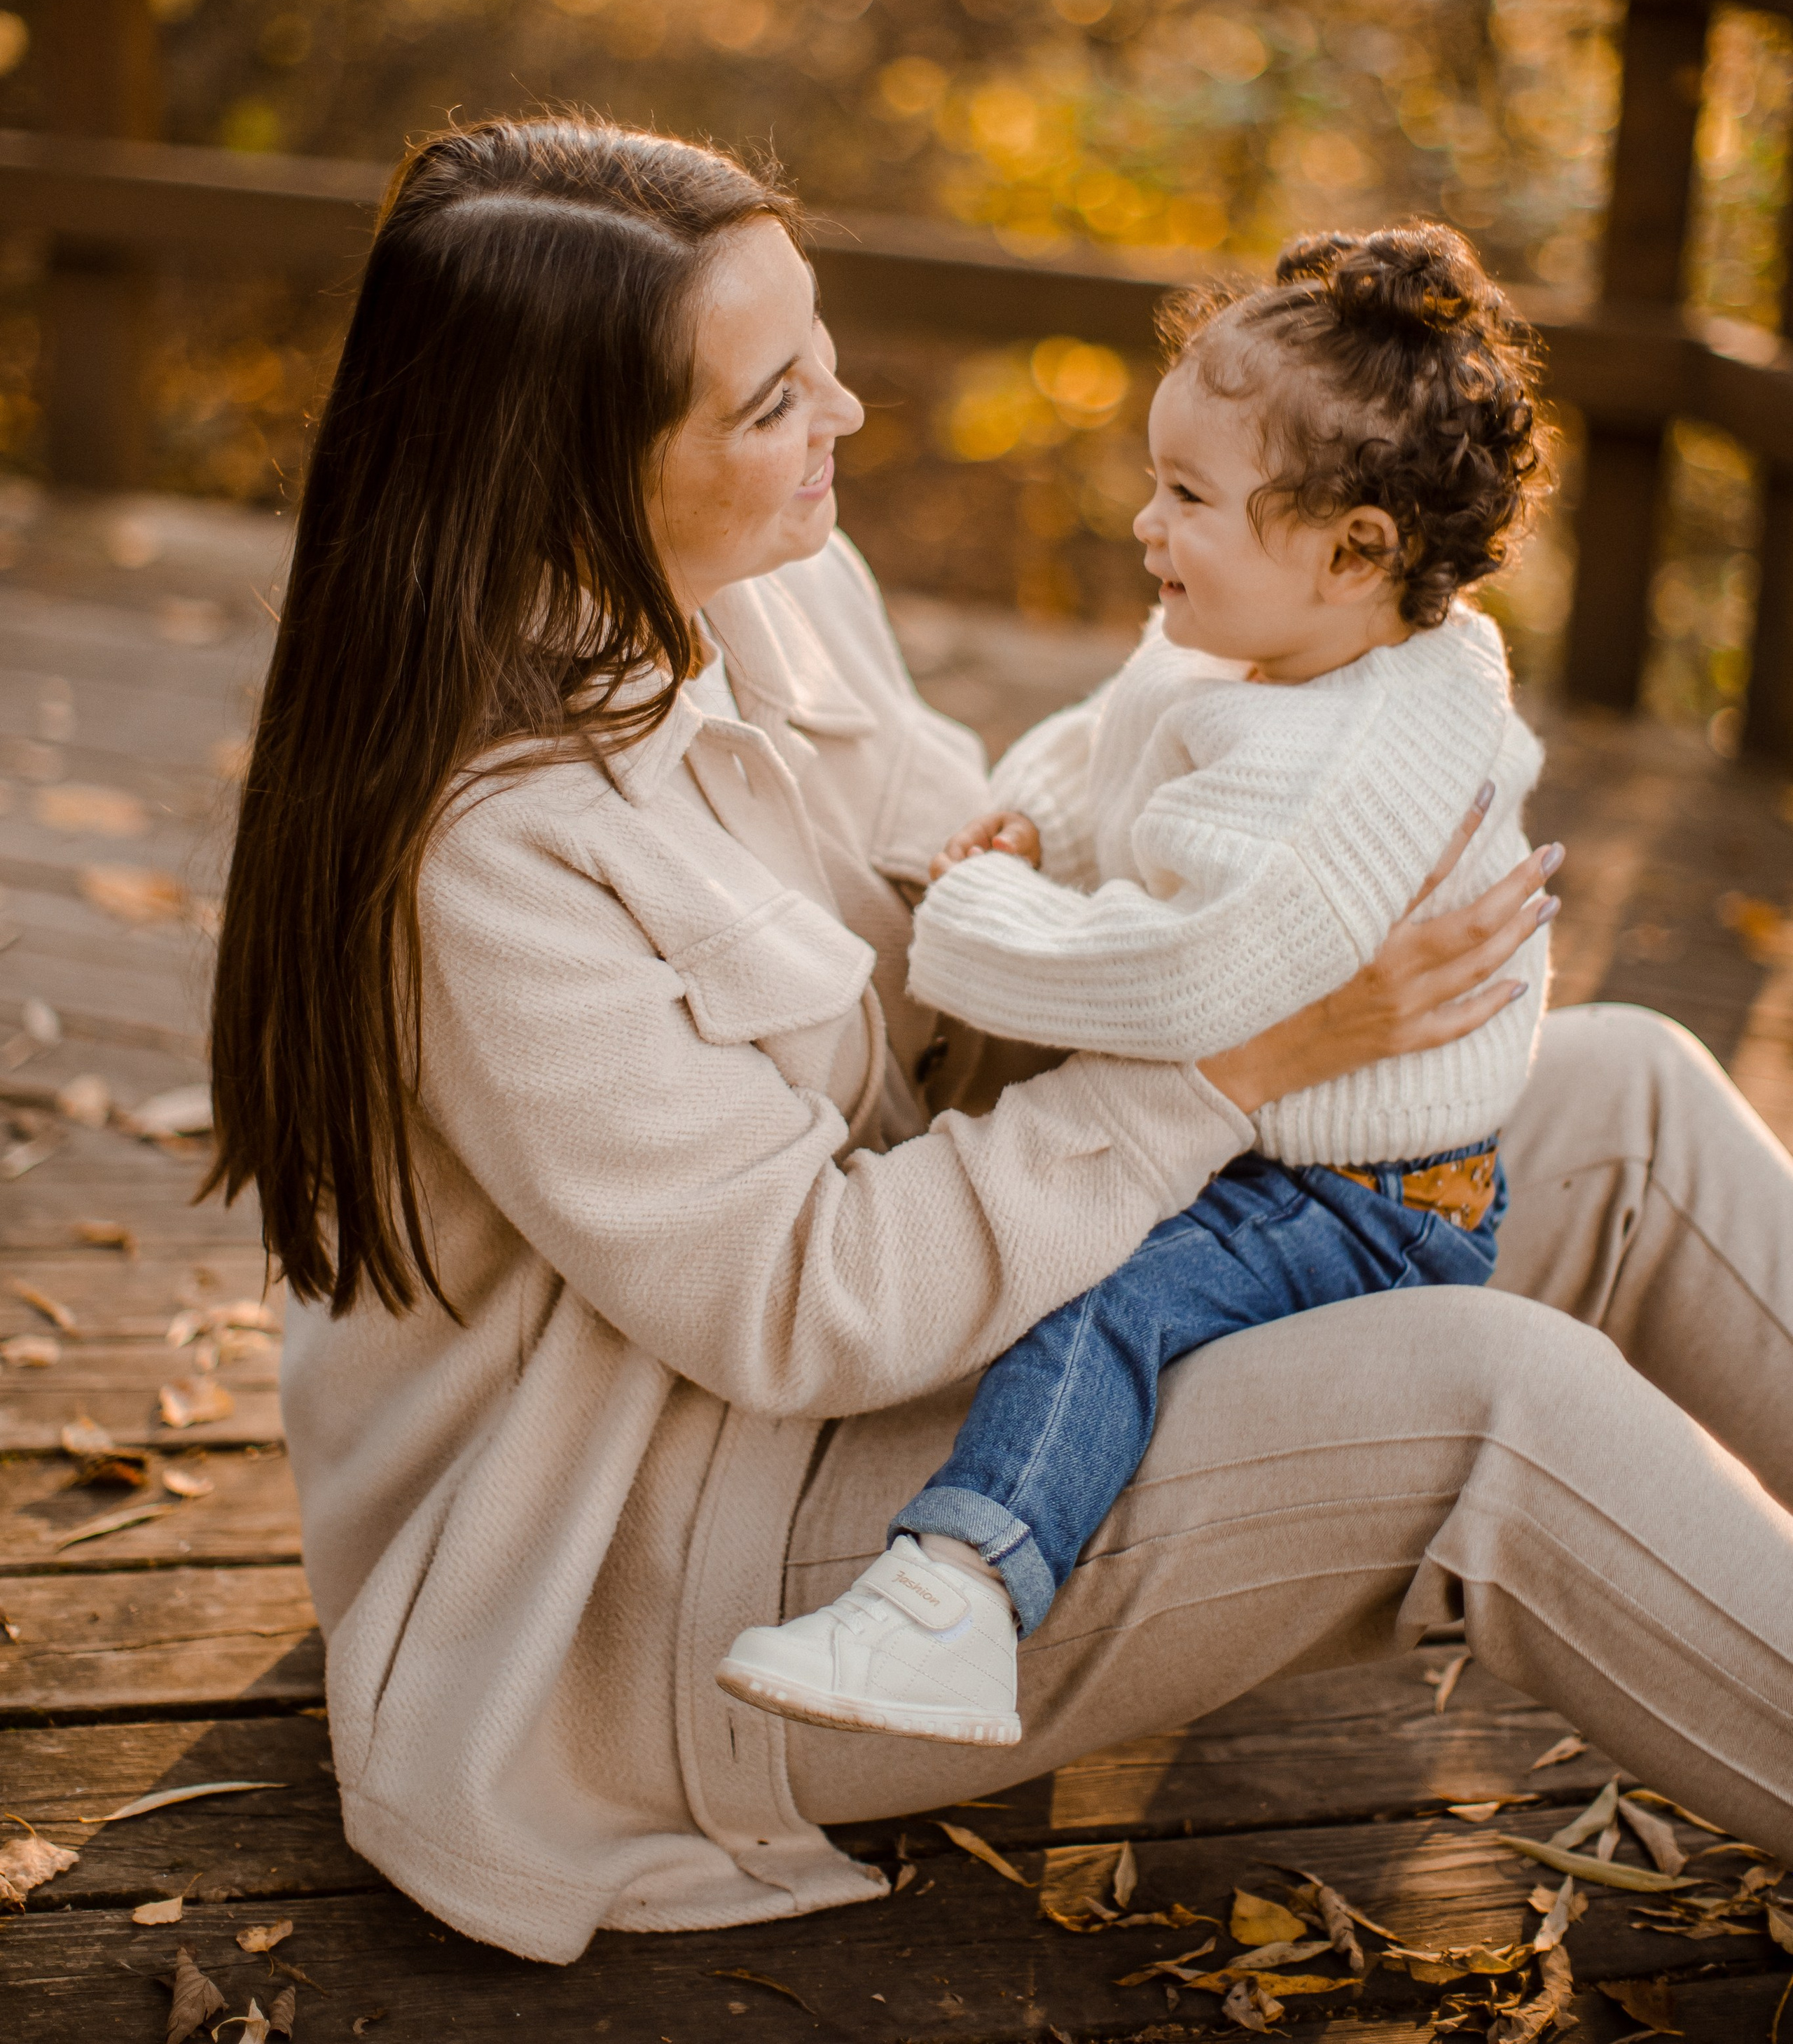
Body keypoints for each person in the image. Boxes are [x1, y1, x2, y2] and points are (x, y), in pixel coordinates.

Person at [208, 116, 1793, 1969]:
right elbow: (810, 1305)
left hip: (947, 1367)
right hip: (668, 1581)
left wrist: (1282, 876)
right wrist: (1238, 1055)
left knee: (1622, 1098)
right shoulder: (487, 855)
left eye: (822, 354)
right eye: (776, 398)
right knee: (1491, 1401)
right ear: (570, 469)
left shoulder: (775, 585)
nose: (850, 418)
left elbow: (977, 910)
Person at [716, 224, 1556, 1744]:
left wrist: (976, 911)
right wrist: (1035, 813)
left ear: (1352, 548)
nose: (1141, 523)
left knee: (1096, 1295)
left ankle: (956, 1597)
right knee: (1089, 1247)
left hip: (1360, 1192)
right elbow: (1128, 725)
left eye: (1184, 499)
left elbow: (1177, 983)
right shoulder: (1278, 642)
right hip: (1303, 1133)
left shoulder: (1338, 768)